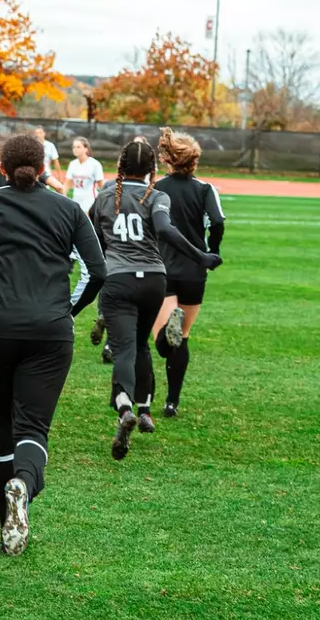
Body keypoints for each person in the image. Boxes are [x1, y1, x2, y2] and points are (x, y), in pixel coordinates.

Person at [0, 133, 108, 555]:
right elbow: (98, 271)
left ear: (3, 168)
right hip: (49, 332)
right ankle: (22, 489)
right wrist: (67, 310)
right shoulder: (68, 209)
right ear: (45, 167)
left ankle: (6, 526)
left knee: (2, 430)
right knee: (33, 429)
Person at [90, 138, 222, 458]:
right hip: (155, 278)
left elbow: (91, 239)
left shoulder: (107, 195)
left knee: (125, 348)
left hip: (120, 278)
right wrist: (203, 255)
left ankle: (125, 409)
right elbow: (172, 228)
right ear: (151, 169)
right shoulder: (159, 195)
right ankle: (161, 395)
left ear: (120, 166)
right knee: (148, 343)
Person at [150, 128, 226, 420]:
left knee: (162, 340)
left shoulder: (156, 187)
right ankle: (172, 402)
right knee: (183, 336)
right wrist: (213, 249)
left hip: (163, 267)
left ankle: (165, 334)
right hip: (195, 271)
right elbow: (217, 221)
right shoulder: (205, 189)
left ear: (168, 159)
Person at [65, 136, 104, 211]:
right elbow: (67, 183)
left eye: (78, 147)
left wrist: (102, 202)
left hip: (90, 199)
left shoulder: (94, 164)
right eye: (74, 147)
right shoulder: (72, 164)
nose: (75, 149)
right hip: (76, 198)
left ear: (86, 149)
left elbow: (101, 185)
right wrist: (62, 196)